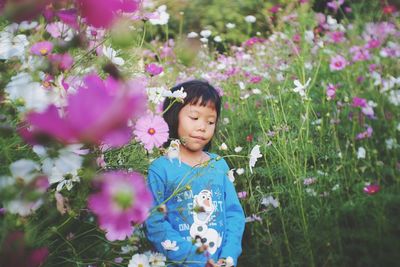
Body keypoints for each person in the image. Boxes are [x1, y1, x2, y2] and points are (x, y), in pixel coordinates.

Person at [145, 80, 246, 267]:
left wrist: (228, 257)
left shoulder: (218, 165)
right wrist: (198, 259)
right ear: (174, 117)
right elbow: (155, 224)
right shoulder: (161, 169)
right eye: (194, 117)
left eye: (210, 121)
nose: (202, 127)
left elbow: (234, 215)